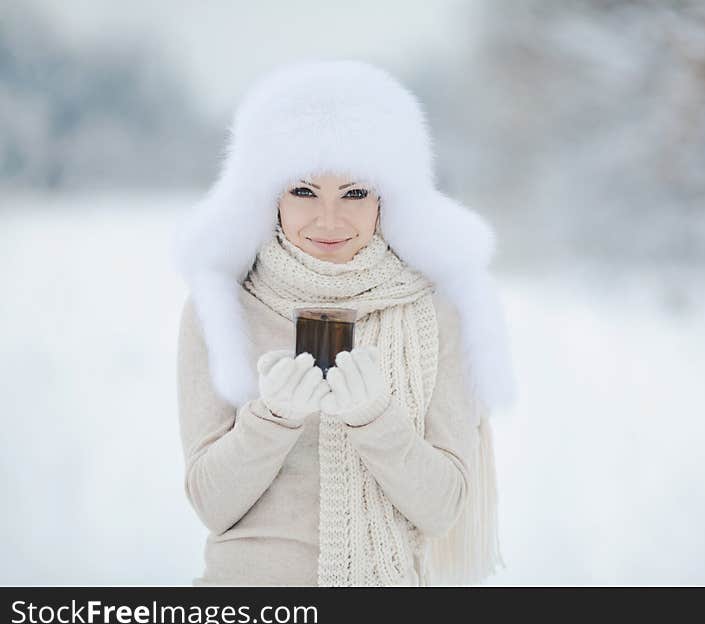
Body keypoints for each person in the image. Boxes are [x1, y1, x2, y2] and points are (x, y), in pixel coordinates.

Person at [172, 58, 516, 586]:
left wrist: (376, 419)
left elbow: (443, 507)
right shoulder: (222, 311)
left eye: (355, 193)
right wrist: (273, 419)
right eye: (304, 192)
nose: (328, 220)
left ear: (386, 198)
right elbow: (211, 503)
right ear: (270, 195)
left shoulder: (435, 314)